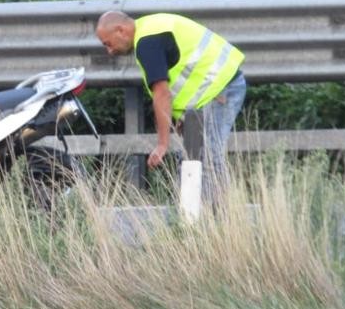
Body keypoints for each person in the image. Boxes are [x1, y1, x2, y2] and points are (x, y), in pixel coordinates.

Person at [96, 11, 246, 210]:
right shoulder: (149, 27)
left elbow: (162, 94)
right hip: (214, 91)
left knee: (209, 158)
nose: (109, 51)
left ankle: (220, 222)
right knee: (194, 159)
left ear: (120, 30)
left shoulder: (147, 42)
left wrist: (162, 144)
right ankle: (195, 220)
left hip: (219, 90)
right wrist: (184, 116)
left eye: (108, 43)